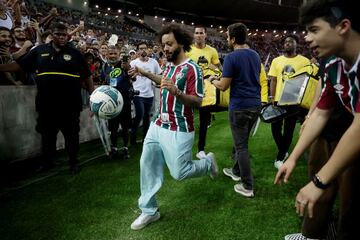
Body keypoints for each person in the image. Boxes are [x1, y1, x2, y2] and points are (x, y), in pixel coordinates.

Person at [275, 0, 360, 239]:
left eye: (314, 30)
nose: (307, 39)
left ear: (343, 26)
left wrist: (319, 182)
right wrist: (292, 158)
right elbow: (322, 111)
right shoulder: (334, 62)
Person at [128, 23, 218, 230]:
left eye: (169, 44)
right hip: (158, 124)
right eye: (163, 45)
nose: (165, 49)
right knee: (147, 165)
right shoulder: (168, 65)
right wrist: (145, 73)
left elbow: (197, 101)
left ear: (181, 43)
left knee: (180, 173)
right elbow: (164, 80)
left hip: (179, 127)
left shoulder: (192, 68)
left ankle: (206, 164)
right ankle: (149, 211)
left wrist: (177, 91)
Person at [0, 22, 94, 174]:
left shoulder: (75, 53)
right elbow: (20, 65)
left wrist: (92, 96)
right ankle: (47, 163)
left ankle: (73, 163)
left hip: (69, 105)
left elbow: (87, 77)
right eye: (58, 34)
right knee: (47, 136)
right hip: (46, 104)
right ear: (52, 34)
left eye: (64, 35)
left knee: (72, 136)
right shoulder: (39, 50)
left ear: (67, 35)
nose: (61, 37)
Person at [210, 23, 261, 198]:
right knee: (243, 143)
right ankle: (236, 171)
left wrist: (212, 80)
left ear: (232, 39)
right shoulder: (255, 55)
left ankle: (247, 186)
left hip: (240, 106)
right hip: (255, 104)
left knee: (241, 147)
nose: (226, 39)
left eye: (227, 36)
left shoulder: (232, 57)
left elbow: (223, 86)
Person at [268, 34, 310, 169]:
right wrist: (272, 98)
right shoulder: (276, 61)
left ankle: (280, 156)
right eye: (285, 41)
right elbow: (273, 81)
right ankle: (284, 150)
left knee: (288, 130)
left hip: (294, 101)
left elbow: (309, 81)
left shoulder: (304, 61)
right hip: (278, 101)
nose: (287, 43)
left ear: (296, 44)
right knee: (275, 128)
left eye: (291, 41)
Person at [186, 26, 222, 159]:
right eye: (196, 33)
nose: (199, 35)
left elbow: (219, 69)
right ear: (194, 35)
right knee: (186, 117)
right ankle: (184, 146)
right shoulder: (188, 50)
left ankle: (200, 149)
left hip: (206, 87)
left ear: (205, 35)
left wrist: (215, 69)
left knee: (203, 118)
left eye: (201, 33)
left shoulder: (212, 51)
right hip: (190, 86)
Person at [100, 45, 132, 159]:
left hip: (124, 101)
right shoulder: (104, 66)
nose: (112, 56)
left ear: (119, 54)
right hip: (111, 102)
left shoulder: (124, 65)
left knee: (125, 127)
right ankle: (114, 149)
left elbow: (134, 79)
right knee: (112, 128)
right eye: (110, 54)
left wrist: (127, 68)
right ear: (107, 54)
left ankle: (125, 148)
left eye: (115, 54)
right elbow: (103, 81)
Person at [130, 42, 162, 145]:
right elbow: (131, 78)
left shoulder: (154, 62)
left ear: (148, 50)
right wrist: (134, 76)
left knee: (146, 117)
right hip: (138, 94)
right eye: (140, 48)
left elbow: (159, 75)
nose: (143, 50)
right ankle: (133, 137)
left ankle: (145, 139)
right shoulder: (133, 63)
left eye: (145, 48)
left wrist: (156, 82)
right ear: (138, 50)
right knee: (140, 114)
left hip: (149, 94)